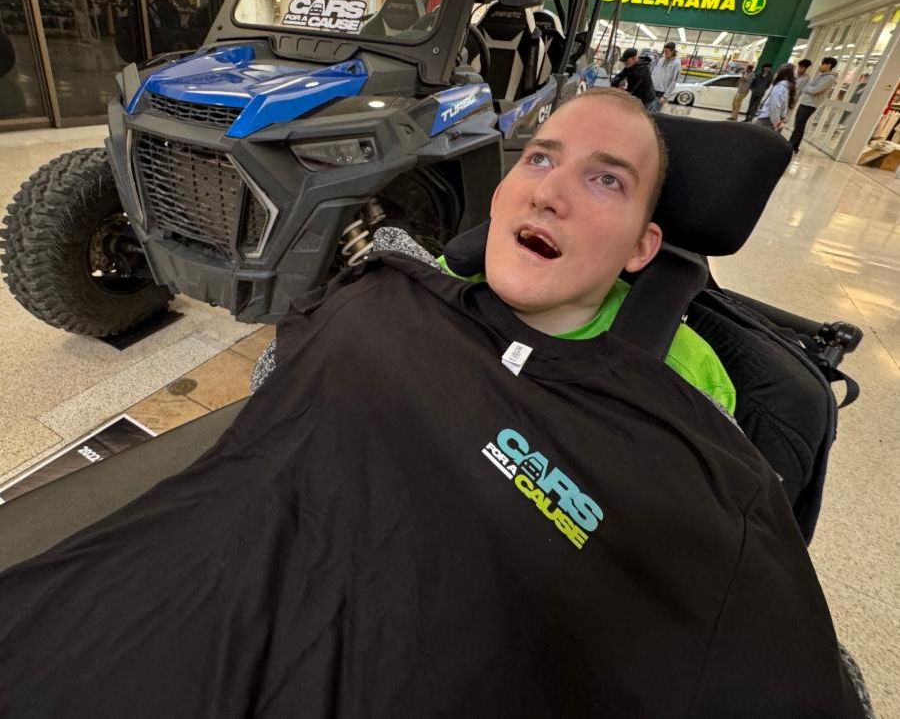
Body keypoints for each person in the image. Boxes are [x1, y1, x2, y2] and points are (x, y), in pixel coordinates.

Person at [0, 92, 866, 717]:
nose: (549, 191)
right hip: (228, 584)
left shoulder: (683, 389)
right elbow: (289, 394)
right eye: (539, 158)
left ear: (644, 246)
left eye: (606, 180)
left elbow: (706, 573)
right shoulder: (403, 291)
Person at [789, 57, 839, 153]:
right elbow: (807, 87)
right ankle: (795, 146)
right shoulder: (820, 75)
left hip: (810, 104)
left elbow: (814, 90)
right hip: (805, 102)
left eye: (823, 64)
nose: (820, 66)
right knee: (799, 125)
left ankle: (790, 145)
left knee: (799, 125)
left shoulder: (830, 78)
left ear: (828, 65)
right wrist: (809, 88)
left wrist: (808, 88)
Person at [754, 63, 796, 133]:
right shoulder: (786, 87)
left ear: (781, 73)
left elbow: (775, 106)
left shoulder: (780, 87)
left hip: (768, 119)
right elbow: (784, 106)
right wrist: (782, 118)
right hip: (772, 119)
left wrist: (776, 123)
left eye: (777, 71)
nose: (775, 74)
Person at [650, 41, 680, 110]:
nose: (665, 53)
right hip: (652, 90)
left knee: (654, 112)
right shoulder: (661, 60)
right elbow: (654, 74)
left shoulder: (677, 63)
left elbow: (674, 81)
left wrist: (665, 96)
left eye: (667, 51)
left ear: (673, 51)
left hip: (661, 93)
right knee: (646, 110)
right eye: (664, 51)